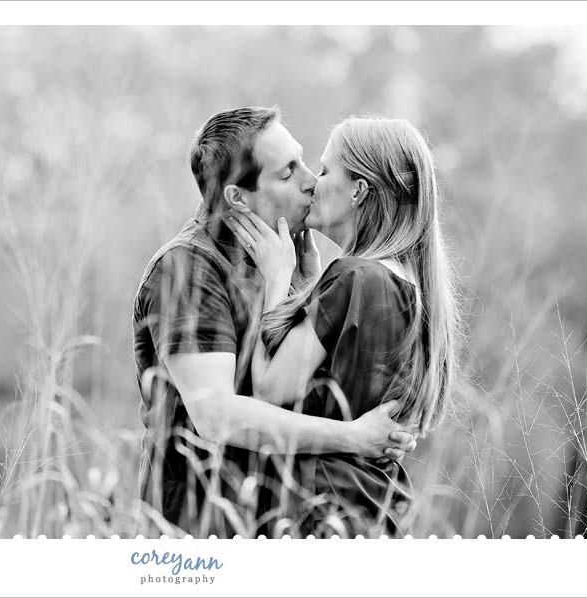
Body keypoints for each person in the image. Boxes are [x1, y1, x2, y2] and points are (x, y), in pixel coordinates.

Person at [132, 107, 418, 537]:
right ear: (238, 198)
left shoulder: (283, 261)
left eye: (305, 162)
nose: (311, 181)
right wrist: (355, 438)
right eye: (288, 173)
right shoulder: (189, 269)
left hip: (273, 525)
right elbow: (216, 415)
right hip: (199, 531)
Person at [225, 116, 461, 537]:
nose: (314, 182)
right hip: (373, 512)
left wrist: (278, 280)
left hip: (317, 513)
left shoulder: (355, 278)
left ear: (359, 189)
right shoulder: (408, 287)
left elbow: (269, 391)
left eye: (327, 169)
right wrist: (312, 288)